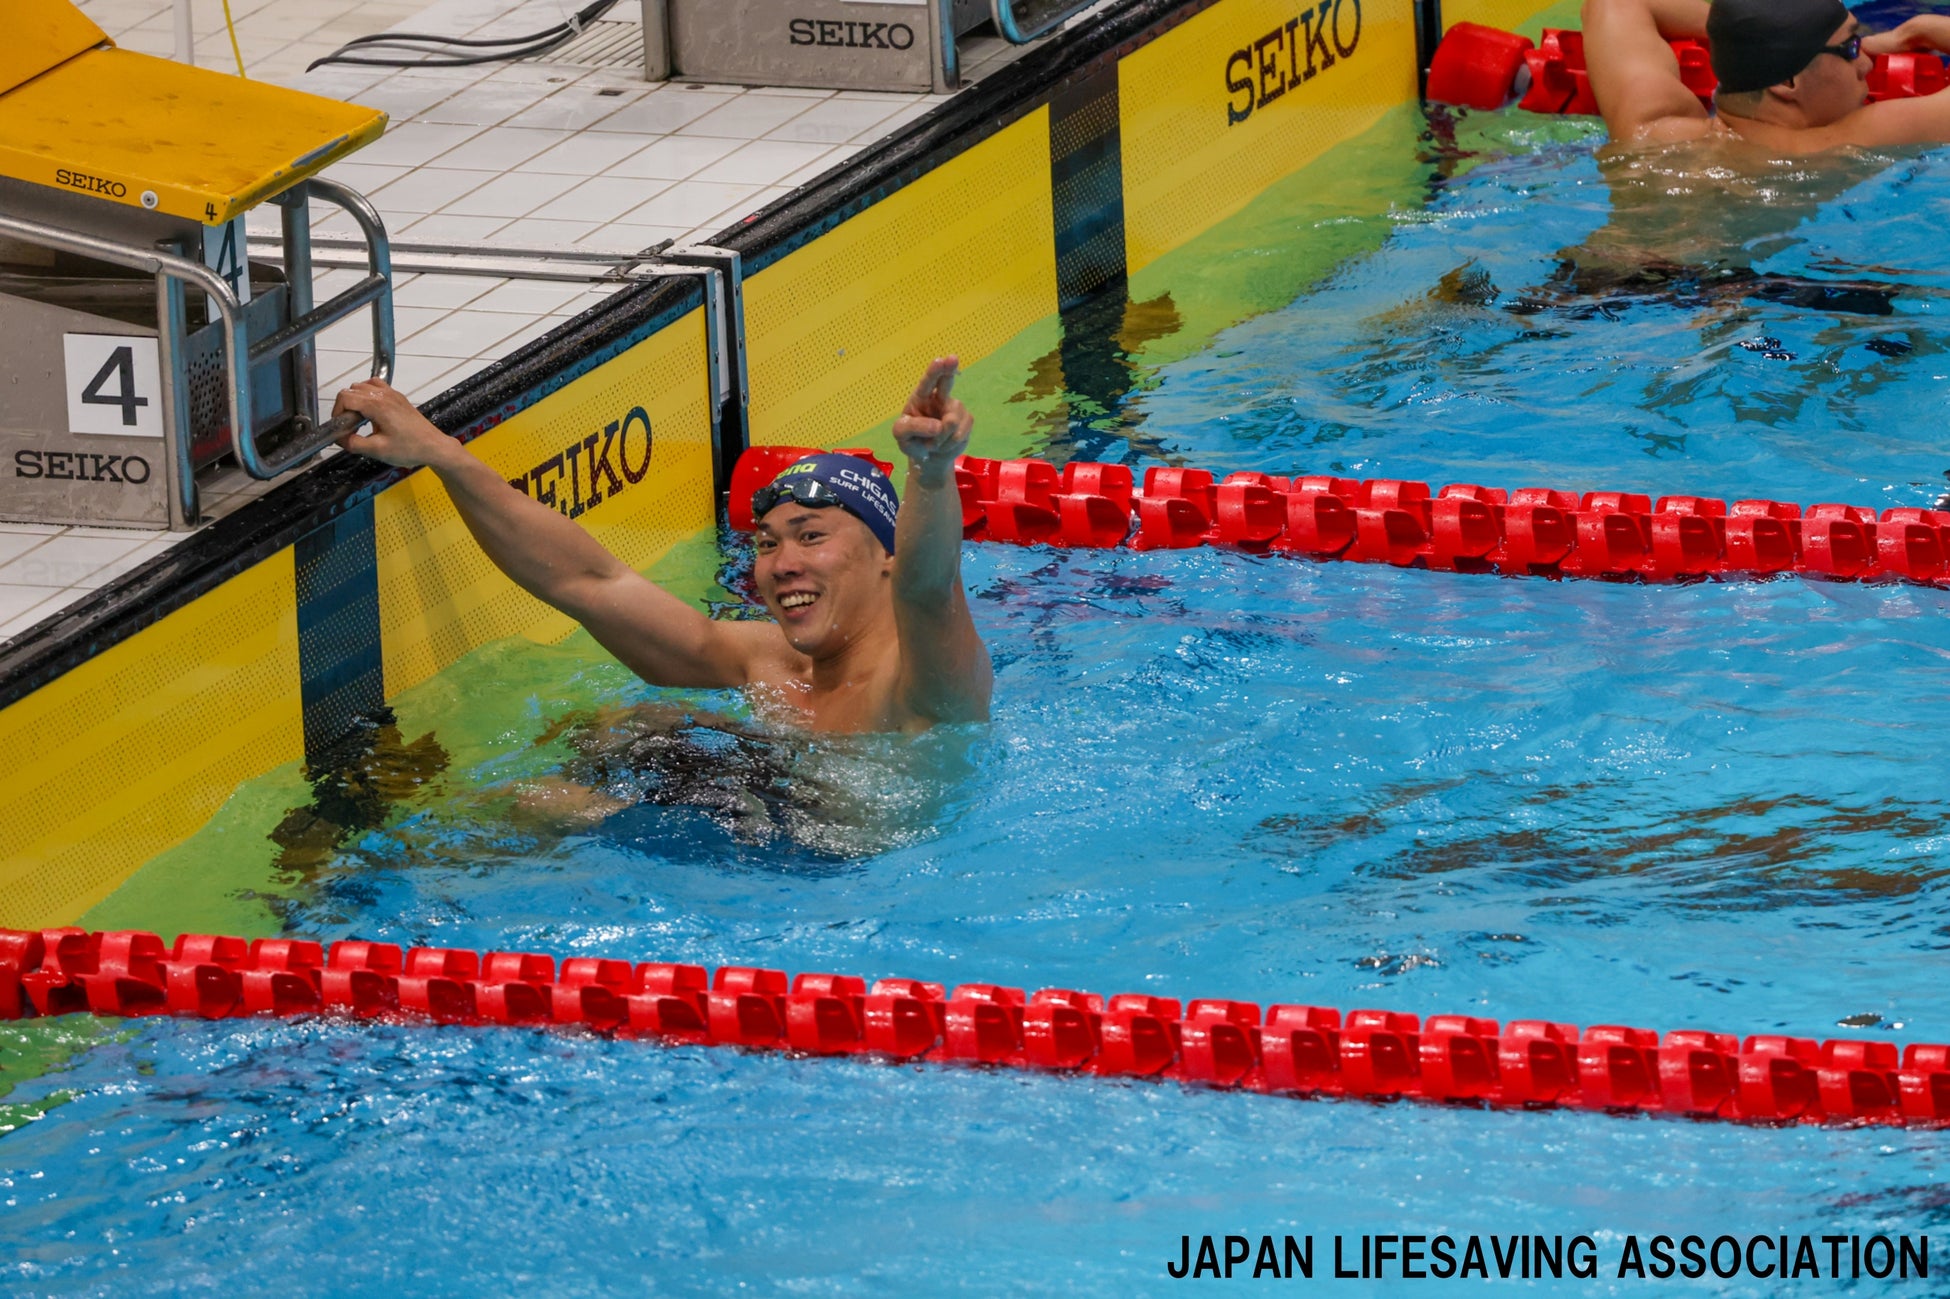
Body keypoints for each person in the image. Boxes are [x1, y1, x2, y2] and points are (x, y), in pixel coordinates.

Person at [330, 356, 993, 735]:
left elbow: (931, 589)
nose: (780, 564)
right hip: (764, 842)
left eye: (812, 536)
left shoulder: (924, 686)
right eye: (766, 543)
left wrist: (930, 474)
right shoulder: (764, 662)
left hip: (847, 899)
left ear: (887, 555)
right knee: (622, 729)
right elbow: (590, 583)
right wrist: (443, 455)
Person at [1585, 0, 1950, 149]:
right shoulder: (1832, 149)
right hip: (1734, 293)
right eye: (1852, 48)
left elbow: (1616, 2)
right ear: (1787, 83)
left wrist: (1747, 33)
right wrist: (1915, 32)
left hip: (1590, 282)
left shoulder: (1650, 128)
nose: (1867, 63)